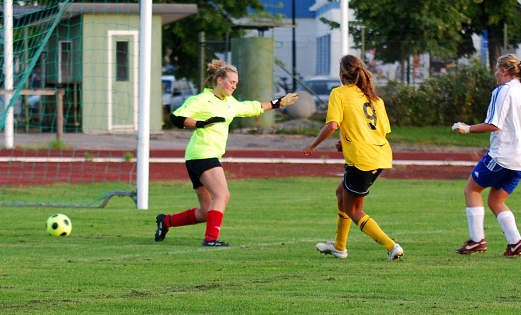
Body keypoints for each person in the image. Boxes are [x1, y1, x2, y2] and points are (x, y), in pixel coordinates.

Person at [154, 59, 298, 247]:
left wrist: (278, 103)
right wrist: (201, 123)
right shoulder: (201, 100)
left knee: (206, 211)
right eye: (232, 82)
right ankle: (211, 239)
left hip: (201, 157)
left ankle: (166, 222)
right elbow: (176, 117)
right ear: (220, 80)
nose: (234, 86)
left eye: (236, 83)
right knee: (222, 195)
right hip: (202, 154)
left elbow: (251, 108)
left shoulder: (230, 102)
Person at [303, 54, 403, 261]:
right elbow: (379, 131)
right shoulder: (374, 98)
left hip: (361, 158)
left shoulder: (339, 93)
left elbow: (332, 125)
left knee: (354, 210)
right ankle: (339, 246)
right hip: (380, 154)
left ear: (342, 74)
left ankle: (391, 246)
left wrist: (312, 145)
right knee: (341, 193)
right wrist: (347, 141)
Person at [452, 54, 521, 258]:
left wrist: (467, 128)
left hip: (503, 156)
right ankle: (516, 242)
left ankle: (477, 240)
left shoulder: (503, 91)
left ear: (504, 71)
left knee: (472, 189)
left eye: (497, 70)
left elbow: (494, 124)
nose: (496, 74)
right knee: (496, 200)